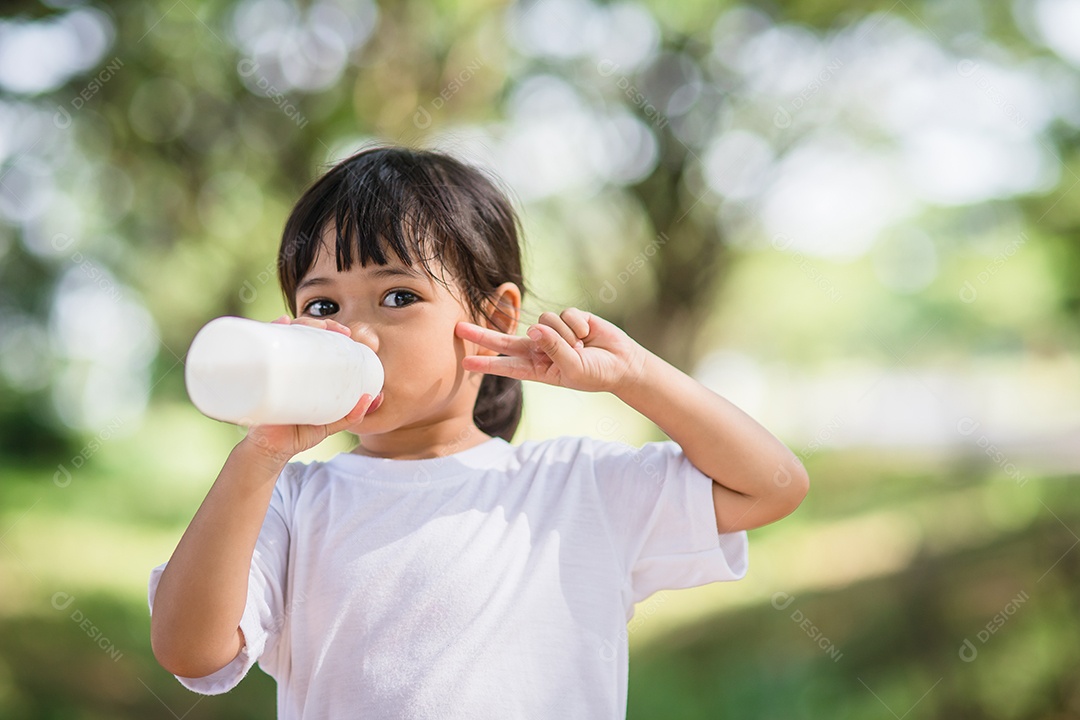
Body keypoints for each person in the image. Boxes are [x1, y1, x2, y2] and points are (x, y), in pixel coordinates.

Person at [148, 146, 808, 719]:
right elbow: (189, 651)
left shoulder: (575, 487)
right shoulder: (290, 502)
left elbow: (772, 486)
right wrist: (257, 457)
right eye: (323, 306)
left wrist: (634, 375)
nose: (358, 333)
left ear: (495, 314)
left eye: (398, 297)